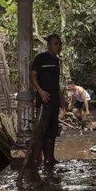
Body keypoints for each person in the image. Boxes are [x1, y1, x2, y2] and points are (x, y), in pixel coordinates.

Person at [30, 34, 66, 168]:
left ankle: (49, 159)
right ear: (49, 45)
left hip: (54, 100)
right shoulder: (40, 58)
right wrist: (40, 91)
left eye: (59, 44)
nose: (58, 46)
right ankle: (35, 162)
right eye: (56, 44)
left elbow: (55, 83)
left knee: (52, 131)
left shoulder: (56, 61)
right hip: (44, 100)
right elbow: (33, 76)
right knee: (41, 131)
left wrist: (61, 98)